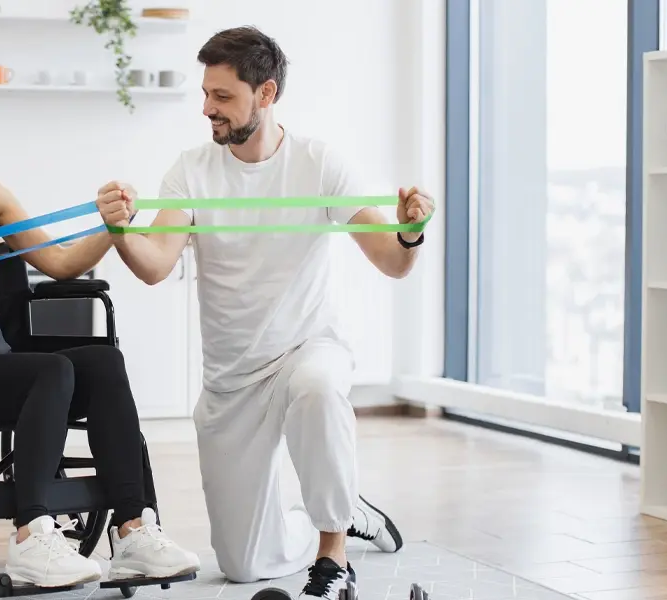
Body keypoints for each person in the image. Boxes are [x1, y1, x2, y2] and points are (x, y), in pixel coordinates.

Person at [93, 27, 433, 600]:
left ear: (266, 93)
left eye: (222, 97)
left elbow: (392, 261)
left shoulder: (319, 163)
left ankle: (333, 557)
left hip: (307, 346)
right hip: (232, 381)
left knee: (321, 388)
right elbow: (153, 265)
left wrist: (410, 231)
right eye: (206, 94)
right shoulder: (190, 172)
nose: (207, 109)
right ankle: (344, 508)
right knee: (245, 565)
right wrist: (120, 229)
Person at [0, 72, 200, 588]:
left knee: (102, 361)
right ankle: (31, 536)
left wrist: (109, 225)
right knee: (52, 371)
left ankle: (134, 528)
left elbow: (62, 262)